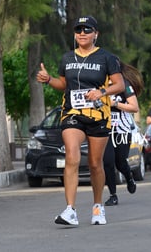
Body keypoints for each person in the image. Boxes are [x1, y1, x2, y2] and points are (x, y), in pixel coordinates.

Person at [37, 15, 125, 226]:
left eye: (87, 30)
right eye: (79, 30)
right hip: (72, 113)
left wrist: (101, 92)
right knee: (72, 157)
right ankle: (70, 210)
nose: (82, 34)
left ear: (96, 34)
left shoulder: (106, 58)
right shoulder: (67, 58)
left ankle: (97, 207)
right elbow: (63, 84)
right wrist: (49, 80)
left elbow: (119, 85)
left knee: (95, 164)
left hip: (98, 115)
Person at [103, 62, 144, 206]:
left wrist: (115, 104)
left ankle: (129, 177)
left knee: (120, 162)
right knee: (107, 162)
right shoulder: (99, 84)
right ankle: (112, 195)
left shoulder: (124, 85)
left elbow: (134, 107)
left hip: (122, 127)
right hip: (104, 127)